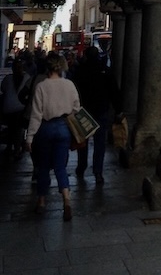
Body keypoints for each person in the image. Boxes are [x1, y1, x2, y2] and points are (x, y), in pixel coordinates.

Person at [25, 52, 80, 221]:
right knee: (60, 167)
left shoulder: (42, 86)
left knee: (42, 166)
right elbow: (76, 108)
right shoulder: (69, 85)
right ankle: (66, 200)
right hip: (63, 128)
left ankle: (41, 201)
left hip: (46, 128)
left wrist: (30, 137)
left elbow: (36, 114)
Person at [73, 45, 122, 185]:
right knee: (100, 143)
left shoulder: (80, 71)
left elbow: (74, 91)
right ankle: (98, 172)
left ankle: (81, 166)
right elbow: (114, 92)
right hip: (101, 109)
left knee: (83, 142)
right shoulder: (105, 71)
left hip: (84, 111)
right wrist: (118, 110)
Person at [0, 57, 31, 158]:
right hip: (20, 108)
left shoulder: (8, 78)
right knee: (18, 130)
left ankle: (10, 147)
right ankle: (17, 149)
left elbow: (3, 89)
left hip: (9, 107)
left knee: (11, 129)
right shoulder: (27, 78)